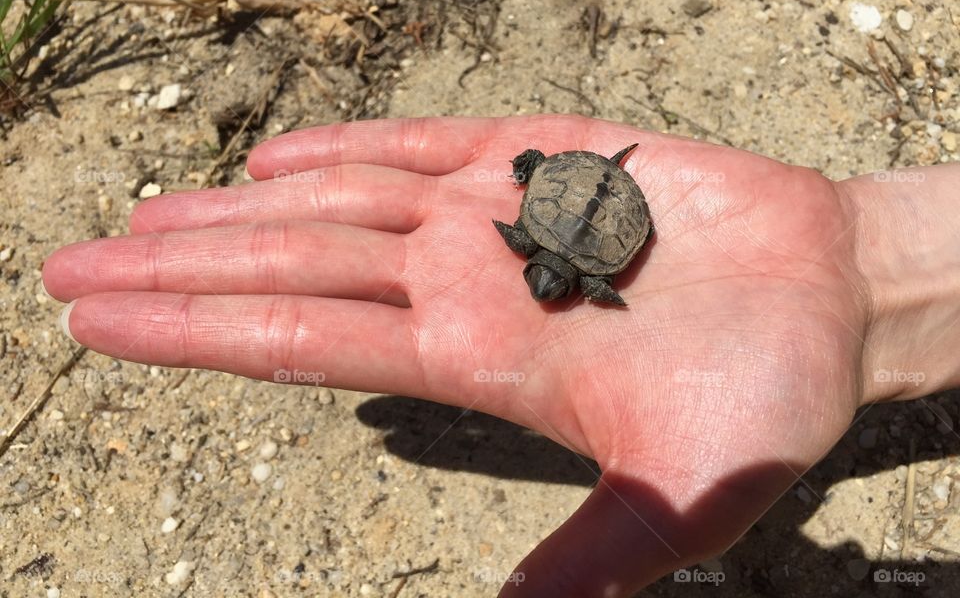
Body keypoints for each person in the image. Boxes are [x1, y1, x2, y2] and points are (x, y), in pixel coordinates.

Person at [42, 114, 960, 597]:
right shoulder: (560, 258)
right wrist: (864, 257)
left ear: (555, 276)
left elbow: (587, 249)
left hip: (591, 191)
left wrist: (849, 267)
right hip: (590, 191)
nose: (551, 292)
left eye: (556, 288)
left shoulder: (575, 266)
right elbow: (576, 237)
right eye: (555, 285)